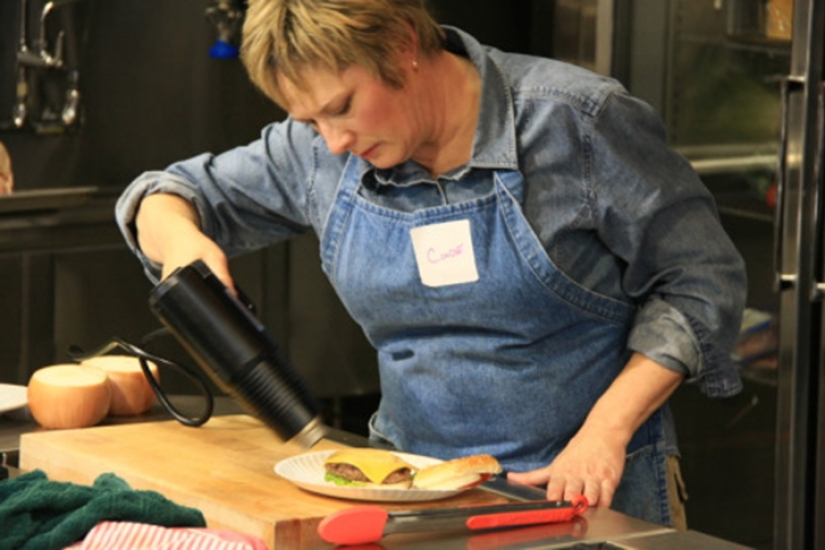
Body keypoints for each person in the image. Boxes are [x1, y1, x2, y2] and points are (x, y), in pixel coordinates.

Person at [115, 0, 746, 529]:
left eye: (341, 107)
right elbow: (163, 194)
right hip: (407, 499)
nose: (332, 141)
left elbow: (699, 280)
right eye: (309, 120)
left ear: (402, 43)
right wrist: (178, 242)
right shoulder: (320, 153)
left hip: (583, 493)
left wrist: (605, 431)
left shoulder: (575, 123)